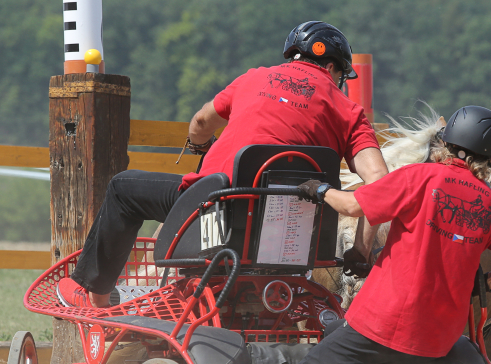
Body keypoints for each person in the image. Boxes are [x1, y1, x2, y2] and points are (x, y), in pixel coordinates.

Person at [252, 105, 491, 364]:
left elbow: (352, 207)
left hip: (383, 322)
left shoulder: (420, 177)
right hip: (439, 340)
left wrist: (319, 190)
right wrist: (490, 281)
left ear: (448, 144)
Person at [56, 21, 388, 308]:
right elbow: (380, 186)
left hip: (214, 215)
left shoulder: (254, 78)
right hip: (294, 237)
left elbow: (201, 121)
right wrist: (360, 250)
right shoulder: (349, 112)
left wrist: (200, 148)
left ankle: (91, 291)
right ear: (332, 68)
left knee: (122, 189)